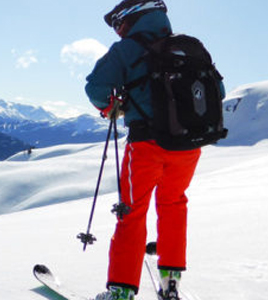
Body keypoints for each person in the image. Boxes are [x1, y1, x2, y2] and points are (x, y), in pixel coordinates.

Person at [86, 1, 209, 299]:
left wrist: (112, 107)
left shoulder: (126, 50)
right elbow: (215, 92)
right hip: (187, 147)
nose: (118, 32)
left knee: (131, 213)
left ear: (131, 18)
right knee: (173, 204)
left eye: (119, 25)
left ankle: (120, 292)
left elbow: (96, 87)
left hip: (146, 146)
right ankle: (170, 282)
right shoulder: (190, 48)